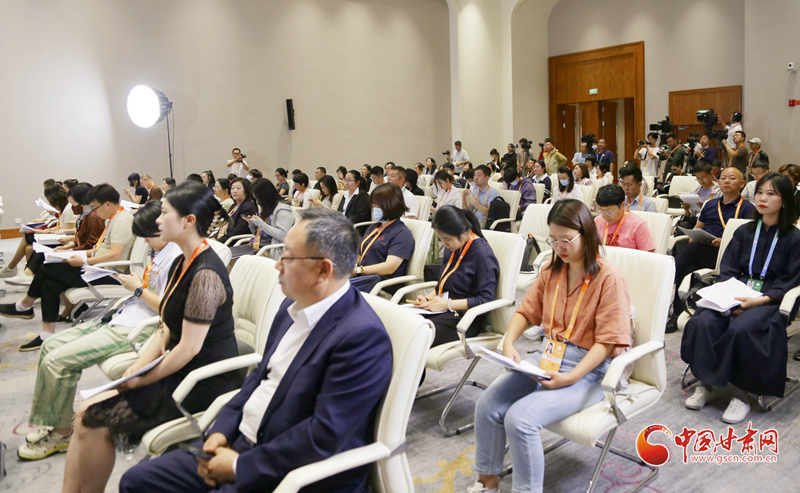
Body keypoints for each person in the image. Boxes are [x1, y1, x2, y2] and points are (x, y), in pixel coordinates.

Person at [119, 207, 392, 493]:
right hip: (241, 442)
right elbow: (259, 378)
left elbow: (324, 435)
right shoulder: (291, 307)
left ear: (323, 270)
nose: (278, 265)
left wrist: (240, 466)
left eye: (287, 257)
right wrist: (221, 430)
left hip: (289, 472)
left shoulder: (361, 337)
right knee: (137, 481)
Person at [58, 182, 240, 492]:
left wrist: (142, 379)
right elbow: (166, 325)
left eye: (165, 213)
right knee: (85, 414)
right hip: (177, 367)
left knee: (93, 421)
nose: (158, 219)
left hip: (201, 380)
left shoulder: (206, 274)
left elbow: (188, 348)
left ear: (189, 221)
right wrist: (138, 365)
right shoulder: (182, 261)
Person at [469, 199, 632, 493]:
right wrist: (509, 342)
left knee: (521, 419)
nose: (559, 247)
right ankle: (487, 483)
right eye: (553, 240)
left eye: (566, 240)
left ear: (586, 234)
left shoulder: (608, 278)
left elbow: (607, 343)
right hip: (548, 357)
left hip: (590, 369)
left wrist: (571, 377)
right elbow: (525, 311)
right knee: (488, 404)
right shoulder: (551, 271)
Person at [17, 201, 182, 460]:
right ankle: (58, 420)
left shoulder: (178, 258)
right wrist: (135, 288)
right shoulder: (160, 251)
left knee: (57, 361)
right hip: (124, 314)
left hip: (140, 327)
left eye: (148, 235)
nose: (145, 241)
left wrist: (138, 289)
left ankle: (61, 434)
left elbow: (170, 309)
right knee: (50, 346)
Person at [682, 173, 800, 423]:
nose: (763, 198)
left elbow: (790, 279)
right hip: (736, 289)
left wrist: (759, 300)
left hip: (769, 297)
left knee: (742, 328)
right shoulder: (744, 231)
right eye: (760, 193)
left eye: (771, 194)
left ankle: (743, 395)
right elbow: (728, 268)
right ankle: (707, 384)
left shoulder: (794, 238)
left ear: (785, 201)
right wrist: (730, 296)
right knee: (703, 322)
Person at [1, 184, 135, 351]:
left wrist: (84, 261)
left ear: (107, 204)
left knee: (48, 268)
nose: (93, 211)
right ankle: (46, 334)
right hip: (99, 267)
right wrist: (75, 253)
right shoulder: (114, 218)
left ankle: (24, 306)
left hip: (109, 273)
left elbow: (115, 255)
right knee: (49, 285)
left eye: (94, 207)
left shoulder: (122, 221)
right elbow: (99, 249)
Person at [666, 167, 755, 333]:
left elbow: (747, 240)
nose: (727, 181)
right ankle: (678, 314)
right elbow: (698, 227)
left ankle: (667, 277)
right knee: (688, 266)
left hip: (727, 255)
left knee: (690, 251)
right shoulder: (711, 204)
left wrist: (723, 242)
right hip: (703, 248)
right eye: (723, 178)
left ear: (742, 183)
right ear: (718, 182)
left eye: (732, 178)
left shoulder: (748, 208)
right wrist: (694, 235)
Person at [413, 206, 499, 347]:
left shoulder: (483, 254)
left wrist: (446, 304)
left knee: (417, 334)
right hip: (444, 309)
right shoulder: (453, 248)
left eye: (447, 239)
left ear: (463, 233)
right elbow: (442, 286)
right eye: (440, 239)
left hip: (465, 318)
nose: (444, 244)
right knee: (404, 322)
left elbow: (486, 300)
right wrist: (427, 299)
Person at [2, 184, 103, 284]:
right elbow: (80, 237)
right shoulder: (85, 215)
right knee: (32, 248)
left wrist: (69, 250)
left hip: (82, 254)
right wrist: (66, 247)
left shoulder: (93, 217)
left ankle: (24, 274)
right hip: (78, 248)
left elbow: (89, 244)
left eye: (73, 203)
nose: (72, 206)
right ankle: (27, 275)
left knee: (40, 252)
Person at [354, 183, 415, 290]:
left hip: (381, 287)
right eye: (373, 205)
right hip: (363, 279)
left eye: (377, 205)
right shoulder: (374, 227)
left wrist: (359, 270)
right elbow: (361, 254)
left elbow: (390, 267)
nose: (374, 209)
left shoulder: (402, 233)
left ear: (391, 205)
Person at [243, 179, 293, 261]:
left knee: (235, 262)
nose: (258, 202)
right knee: (228, 256)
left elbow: (282, 235)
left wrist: (261, 224)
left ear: (266, 196)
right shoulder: (266, 208)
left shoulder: (283, 210)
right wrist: (252, 223)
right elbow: (256, 232)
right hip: (255, 246)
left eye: (258, 199)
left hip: (269, 250)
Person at [594, 184, 655, 251]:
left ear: (622, 205)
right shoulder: (597, 221)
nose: (605, 216)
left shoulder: (638, 225)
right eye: (602, 211)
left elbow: (649, 254)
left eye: (610, 212)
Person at [211, 178, 258, 244]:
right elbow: (225, 225)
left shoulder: (248, 206)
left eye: (238, 188)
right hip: (225, 238)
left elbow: (239, 230)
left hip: (235, 241)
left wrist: (218, 240)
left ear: (246, 190)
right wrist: (214, 237)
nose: (234, 191)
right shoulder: (234, 205)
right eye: (232, 188)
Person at [676, 162, 721, 230]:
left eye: (703, 177)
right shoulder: (694, 193)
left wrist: (705, 209)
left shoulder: (719, 191)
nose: (701, 181)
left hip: (710, 223)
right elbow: (691, 215)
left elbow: (721, 213)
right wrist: (687, 210)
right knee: (682, 226)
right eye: (698, 178)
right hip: (695, 221)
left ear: (711, 173)